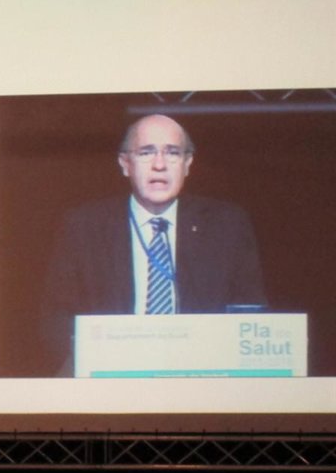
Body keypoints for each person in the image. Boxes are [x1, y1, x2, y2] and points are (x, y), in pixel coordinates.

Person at [40, 113, 267, 373]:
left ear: (187, 164)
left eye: (172, 153)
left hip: (202, 373)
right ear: (125, 163)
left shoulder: (227, 225)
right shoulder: (84, 226)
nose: (160, 165)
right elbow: (55, 321)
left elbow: (251, 314)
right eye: (146, 152)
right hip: (113, 374)